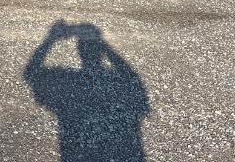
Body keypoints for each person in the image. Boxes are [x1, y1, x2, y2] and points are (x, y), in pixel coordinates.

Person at [24, 20, 150, 161]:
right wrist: (103, 44)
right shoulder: (112, 80)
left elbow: (31, 73)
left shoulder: (70, 81)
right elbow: (130, 77)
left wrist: (51, 39)